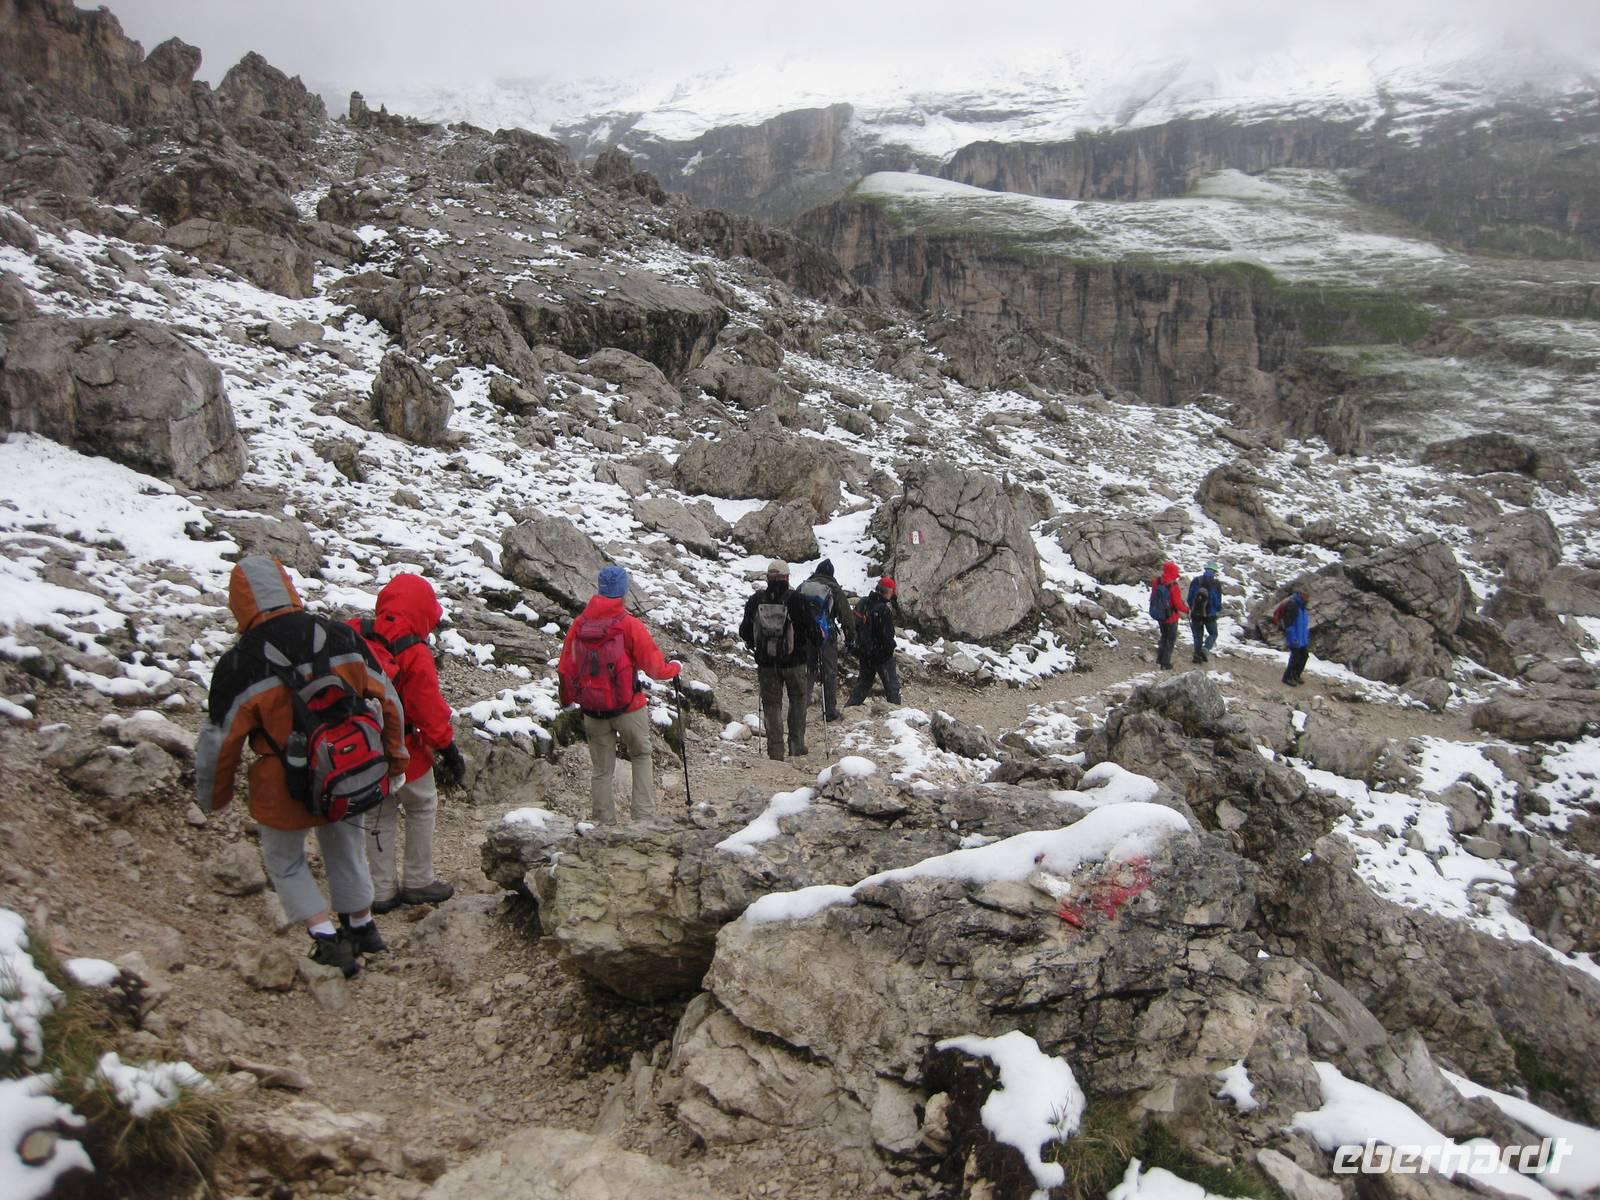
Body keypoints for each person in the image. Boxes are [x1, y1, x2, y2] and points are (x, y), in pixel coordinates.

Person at [196, 556, 408, 978]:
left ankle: (326, 939)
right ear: (288, 587)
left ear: (240, 602)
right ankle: (363, 928)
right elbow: (388, 699)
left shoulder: (239, 664)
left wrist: (213, 796)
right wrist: (395, 758)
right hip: (348, 767)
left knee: (286, 861)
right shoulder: (338, 635)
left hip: (285, 782)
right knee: (346, 847)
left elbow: (220, 741)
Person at [349, 573, 463, 914]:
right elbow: (427, 709)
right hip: (405, 747)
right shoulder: (413, 649)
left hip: (364, 745)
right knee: (422, 805)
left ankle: (381, 889)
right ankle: (417, 880)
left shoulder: (358, 634)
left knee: (378, 812)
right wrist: (447, 749)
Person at [558, 564, 681, 822]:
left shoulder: (579, 624)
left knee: (601, 770)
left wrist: (567, 700)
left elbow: (566, 669)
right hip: (628, 707)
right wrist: (674, 669)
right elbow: (654, 668)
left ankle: (603, 822)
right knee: (641, 755)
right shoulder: (629, 625)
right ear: (623, 592)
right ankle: (643, 818)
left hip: (592, 710)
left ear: (600, 590)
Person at [739, 559, 819, 759]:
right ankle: (796, 745)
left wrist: (759, 642)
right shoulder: (797, 600)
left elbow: (744, 631)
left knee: (772, 704)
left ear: (768, 578)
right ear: (787, 577)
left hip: (767, 663)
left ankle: (775, 750)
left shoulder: (756, 600)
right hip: (795, 662)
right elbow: (814, 632)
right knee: (798, 701)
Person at [797, 558, 854, 723]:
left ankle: (800, 707)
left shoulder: (804, 586)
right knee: (829, 672)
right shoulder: (834, 589)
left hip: (805, 634)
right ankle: (829, 711)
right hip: (825, 635)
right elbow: (846, 617)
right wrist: (850, 638)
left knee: (808, 670)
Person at [846, 577, 903, 707]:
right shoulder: (883, 610)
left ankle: (849, 708)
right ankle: (896, 712)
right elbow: (887, 636)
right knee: (892, 687)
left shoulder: (863, 602)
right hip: (881, 655)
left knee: (863, 683)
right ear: (889, 591)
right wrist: (888, 651)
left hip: (864, 651)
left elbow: (854, 625)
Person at [1150, 561, 1188, 670]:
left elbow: (1153, 596)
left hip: (1160, 614)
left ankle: (1159, 658)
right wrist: (1187, 610)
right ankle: (1165, 663)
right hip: (1171, 616)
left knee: (1163, 636)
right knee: (1170, 639)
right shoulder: (1173, 586)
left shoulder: (1157, 581)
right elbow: (1177, 604)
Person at [1187, 562, 1222, 663]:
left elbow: (1190, 598)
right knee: (1213, 633)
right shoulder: (1216, 583)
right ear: (1214, 572)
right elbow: (1217, 601)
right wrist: (1217, 610)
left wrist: (1192, 608)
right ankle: (1205, 649)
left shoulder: (1196, 581)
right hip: (1210, 614)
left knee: (1198, 636)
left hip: (1196, 613)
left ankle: (1197, 656)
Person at [1276, 586, 1311, 686]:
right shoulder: (1293, 605)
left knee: (1304, 656)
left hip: (1302, 637)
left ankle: (1296, 675)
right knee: (1295, 658)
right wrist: (1293, 638)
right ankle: (1287, 677)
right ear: (1301, 595)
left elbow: (1303, 623)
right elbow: (1289, 624)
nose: (1308, 598)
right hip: (1295, 637)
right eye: (1306, 596)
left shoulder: (1302, 605)